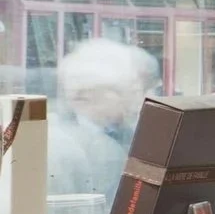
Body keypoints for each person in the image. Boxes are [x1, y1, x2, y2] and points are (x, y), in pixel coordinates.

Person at [50, 36, 157, 200]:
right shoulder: (63, 147)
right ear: (88, 95)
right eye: (129, 90)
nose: (138, 99)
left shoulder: (129, 132)